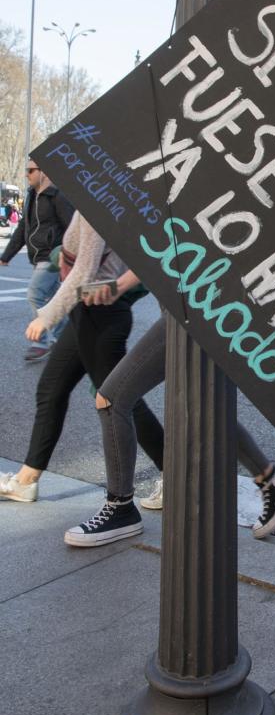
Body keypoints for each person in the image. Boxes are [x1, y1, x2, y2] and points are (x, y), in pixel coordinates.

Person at [63, 269, 275, 548]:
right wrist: (118, 286)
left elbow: (166, 243)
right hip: (201, 303)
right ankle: (273, 482)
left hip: (187, 308)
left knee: (111, 399)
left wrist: (115, 287)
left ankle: (120, 507)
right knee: (207, 407)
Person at [0, 212, 164, 515]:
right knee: (51, 389)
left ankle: (174, 473)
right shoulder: (89, 204)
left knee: (120, 400)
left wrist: (47, 315)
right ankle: (27, 479)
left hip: (100, 314)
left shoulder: (95, 207)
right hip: (86, 311)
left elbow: (84, 272)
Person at [0, 164, 74, 362]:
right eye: (26, 170)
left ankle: (41, 342)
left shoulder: (58, 195)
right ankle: (66, 338)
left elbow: (72, 226)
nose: (27, 174)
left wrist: (67, 255)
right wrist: (6, 255)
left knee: (35, 293)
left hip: (52, 257)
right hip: (37, 256)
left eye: (31, 170)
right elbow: (23, 228)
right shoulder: (32, 196)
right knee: (52, 299)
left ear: (45, 172)